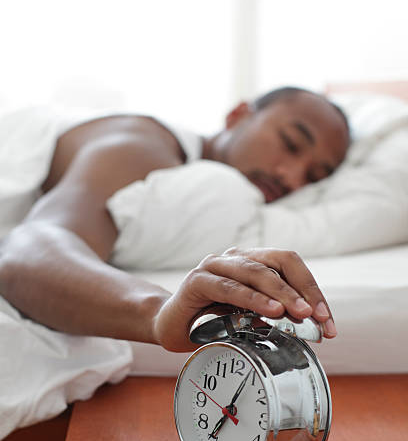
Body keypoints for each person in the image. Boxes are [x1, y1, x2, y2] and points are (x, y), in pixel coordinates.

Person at [0, 87, 349, 353]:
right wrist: (161, 312)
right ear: (238, 115)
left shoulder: (189, 186)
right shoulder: (139, 144)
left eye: (314, 177)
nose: (292, 177)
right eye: (290, 143)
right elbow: (27, 254)